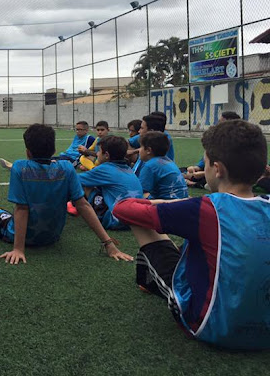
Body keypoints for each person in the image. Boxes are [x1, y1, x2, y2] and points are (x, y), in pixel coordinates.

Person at [113, 120, 270, 349]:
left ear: (217, 169)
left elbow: (122, 210)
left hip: (210, 327)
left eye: (205, 163)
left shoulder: (205, 209)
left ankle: (150, 281)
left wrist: (161, 202)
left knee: (143, 222)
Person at [0, 124, 132, 265]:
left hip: (21, 235)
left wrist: (18, 249)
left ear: (27, 152)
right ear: (54, 150)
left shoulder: (19, 167)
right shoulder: (67, 168)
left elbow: (21, 209)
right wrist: (109, 244)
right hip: (52, 236)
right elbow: (83, 205)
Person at [78, 136, 143, 230]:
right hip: (135, 220)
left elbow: (75, 179)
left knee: (86, 185)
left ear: (107, 155)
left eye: (99, 151)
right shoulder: (127, 168)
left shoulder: (105, 169)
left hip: (115, 221)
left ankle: (75, 206)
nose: (97, 153)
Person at [0, 120, 94, 170]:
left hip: (72, 160)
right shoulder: (76, 137)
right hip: (64, 156)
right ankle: (15, 166)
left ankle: (15, 167)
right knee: (45, 160)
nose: (77, 131)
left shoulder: (90, 138)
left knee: (49, 165)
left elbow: (94, 152)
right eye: (76, 129)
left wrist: (85, 164)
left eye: (80, 129)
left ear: (86, 130)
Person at [183, 111, 241, 188]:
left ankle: (195, 183)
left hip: (224, 173)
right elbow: (205, 160)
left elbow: (229, 169)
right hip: (214, 170)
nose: (218, 124)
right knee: (182, 170)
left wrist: (203, 173)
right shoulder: (219, 139)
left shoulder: (234, 144)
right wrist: (196, 168)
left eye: (221, 122)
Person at [137, 132, 188, 200]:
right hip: (181, 203)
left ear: (149, 150)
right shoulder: (169, 161)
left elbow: (139, 192)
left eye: (141, 147)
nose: (138, 150)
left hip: (166, 206)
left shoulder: (150, 166)